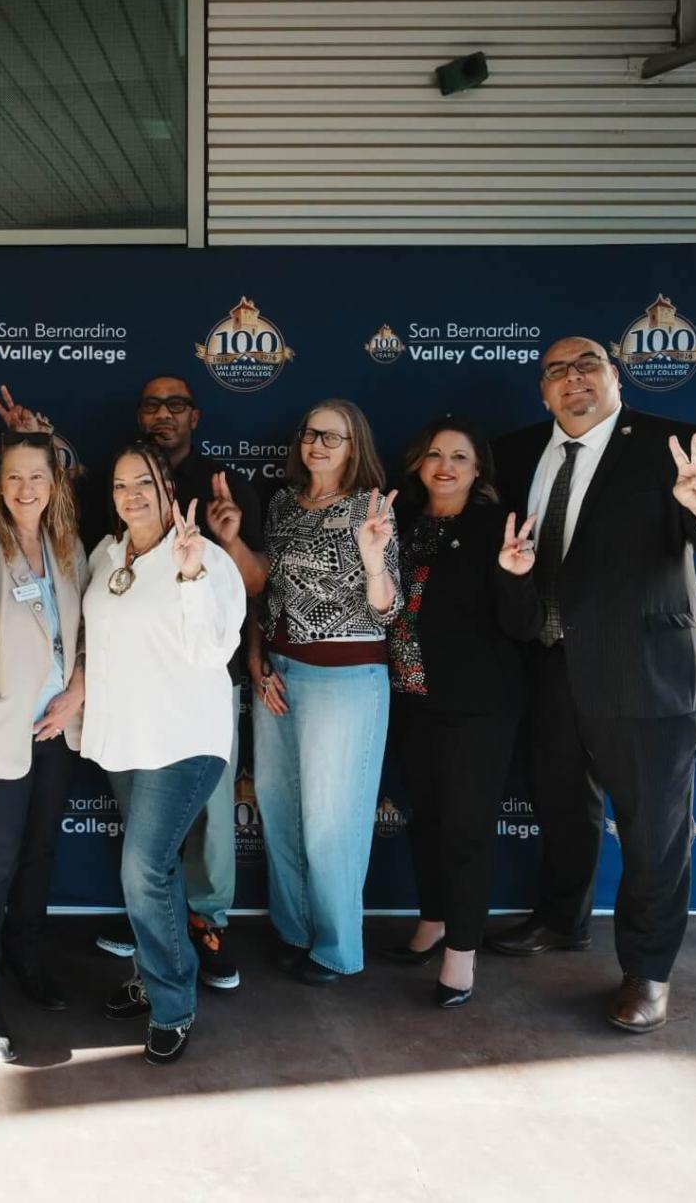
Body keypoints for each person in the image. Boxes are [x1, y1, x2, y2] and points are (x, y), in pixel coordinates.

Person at [486, 336, 696, 1032]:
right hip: (548, 666)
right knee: (560, 807)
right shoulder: (514, 451)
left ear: (616, 376)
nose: (572, 379)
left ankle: (647, 970)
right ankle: (560, 918)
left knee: (652, 834)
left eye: (588, 365)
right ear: (541, 390)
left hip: (645, 674)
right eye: (556, 371)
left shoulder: (676, 443)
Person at [81, 442, 246, 1065]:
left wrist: (190, 576)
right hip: (126, 737)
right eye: (121, 484)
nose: (132, 495)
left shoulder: (205, 558)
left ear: (169, 488)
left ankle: (172, 1005)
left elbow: (210, 654)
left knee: (143, 870)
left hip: (183, 740)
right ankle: (155, 980)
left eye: (144, 482)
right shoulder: (106, 554)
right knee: (160, 871)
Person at [383, 416, 541, 1007]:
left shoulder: (494, 528)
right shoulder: (397, 523)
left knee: (467, 831)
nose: (445, 465)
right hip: (409, 698)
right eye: (434, 454)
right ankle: (433, 919)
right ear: (418, 464)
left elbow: (522, 626)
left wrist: (516, 577)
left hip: (478, 706)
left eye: (459, 457)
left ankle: (461, 955)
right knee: (424, 817)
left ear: (478, 472)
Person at [0, 432, 89, 1062]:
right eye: (13, 479)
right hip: (4, 728)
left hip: (56, 724)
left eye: (38, 477)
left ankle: (26, 957)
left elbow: (88, 633)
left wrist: (76, 693)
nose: (27, 489)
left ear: (54, 484)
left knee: (40, 851)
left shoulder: (68, 546)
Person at [250, 399, 400, 986]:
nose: (318, 444)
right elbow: (264, 597)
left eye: (332, 437)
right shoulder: (284, 503)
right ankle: (292, 930)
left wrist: (372, 558)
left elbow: (383, 610)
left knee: (333, 820)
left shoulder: (372, 508)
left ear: (354, 446)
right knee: (280, 808)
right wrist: (261, 666)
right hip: (280, 674)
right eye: (310, 433)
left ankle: (337, 948)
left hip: (345, 680)